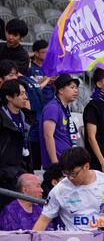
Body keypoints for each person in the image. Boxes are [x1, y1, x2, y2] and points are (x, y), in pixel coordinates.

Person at [32, 147, 104, 233]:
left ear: (86, 166)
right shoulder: (59, 190)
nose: (70, 178)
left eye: (74, 173)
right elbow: (44, 219)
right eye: (66, 174)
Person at [0, 80, 33, 211]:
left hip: (23, 169)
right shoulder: (2, 118)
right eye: (20, 94)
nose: (25, 97)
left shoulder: (24, 117)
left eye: (25, 93)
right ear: (8, 97)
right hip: (5, 175)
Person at [40, 74, 79, 169]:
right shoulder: (53, 107)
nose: (76, 90)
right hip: (57, 163)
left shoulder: (64, 108)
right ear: (61, 90)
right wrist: (55, 163)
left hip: (67, 161)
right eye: (72, 87)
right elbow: (48, 136)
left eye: (76, 88)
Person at [27, 40, 56, 105]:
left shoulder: (50, 66)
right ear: (36, 53)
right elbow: (31, 85)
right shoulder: (29, 67)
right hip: (35, 103)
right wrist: (47, 78)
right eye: (44, 52)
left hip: (50, 101)